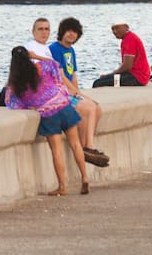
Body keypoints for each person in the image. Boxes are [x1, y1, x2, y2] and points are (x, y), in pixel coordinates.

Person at [3, 45, 91, 196]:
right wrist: (37, 57)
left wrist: (31, 105)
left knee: (57, 151)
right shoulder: (43, 67)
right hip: (64, 107)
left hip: (49, 115)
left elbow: (11, 102)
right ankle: (84, 178)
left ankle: (62, 187)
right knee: (76, 145)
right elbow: (55, 64)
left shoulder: (16, 83)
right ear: (28, 55)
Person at [45, 18, 109, 166]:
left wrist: (79, 92)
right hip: (59, 93)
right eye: (69, 31)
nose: (71, 35)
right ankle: (88, 147)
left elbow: (72, 75)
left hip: (70, 91)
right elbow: (61, 76)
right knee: (89, 107)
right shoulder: (54, 49)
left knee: (97, 108)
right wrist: (75, 94)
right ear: (62, 32)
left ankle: (86, 147)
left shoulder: (70, 51)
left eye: (75, 32)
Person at [92, 21, 152, 87]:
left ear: (126, 27)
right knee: (105, 80)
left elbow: (127, 66)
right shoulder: (128, 38)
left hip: (137, 77)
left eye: (117, 28)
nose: (115, 32)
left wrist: (110, 74)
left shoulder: (129, 39)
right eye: (112, 29)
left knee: (98, 83)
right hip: (138, 76)